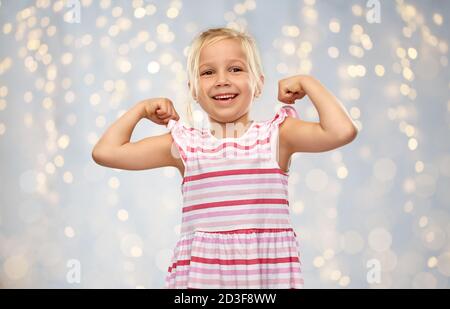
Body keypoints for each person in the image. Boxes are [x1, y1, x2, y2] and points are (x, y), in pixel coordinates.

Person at [92, 27, 358, 289]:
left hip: (264, 277)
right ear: (194, 90)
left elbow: (341, 131)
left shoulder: (277, 136)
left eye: (236, 69)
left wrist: (307, 82)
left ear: (259, 83)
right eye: (208, 72)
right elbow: (106, 152)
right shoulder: (185, 146)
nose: (222, 80)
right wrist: (141, 109)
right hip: (203, 279)